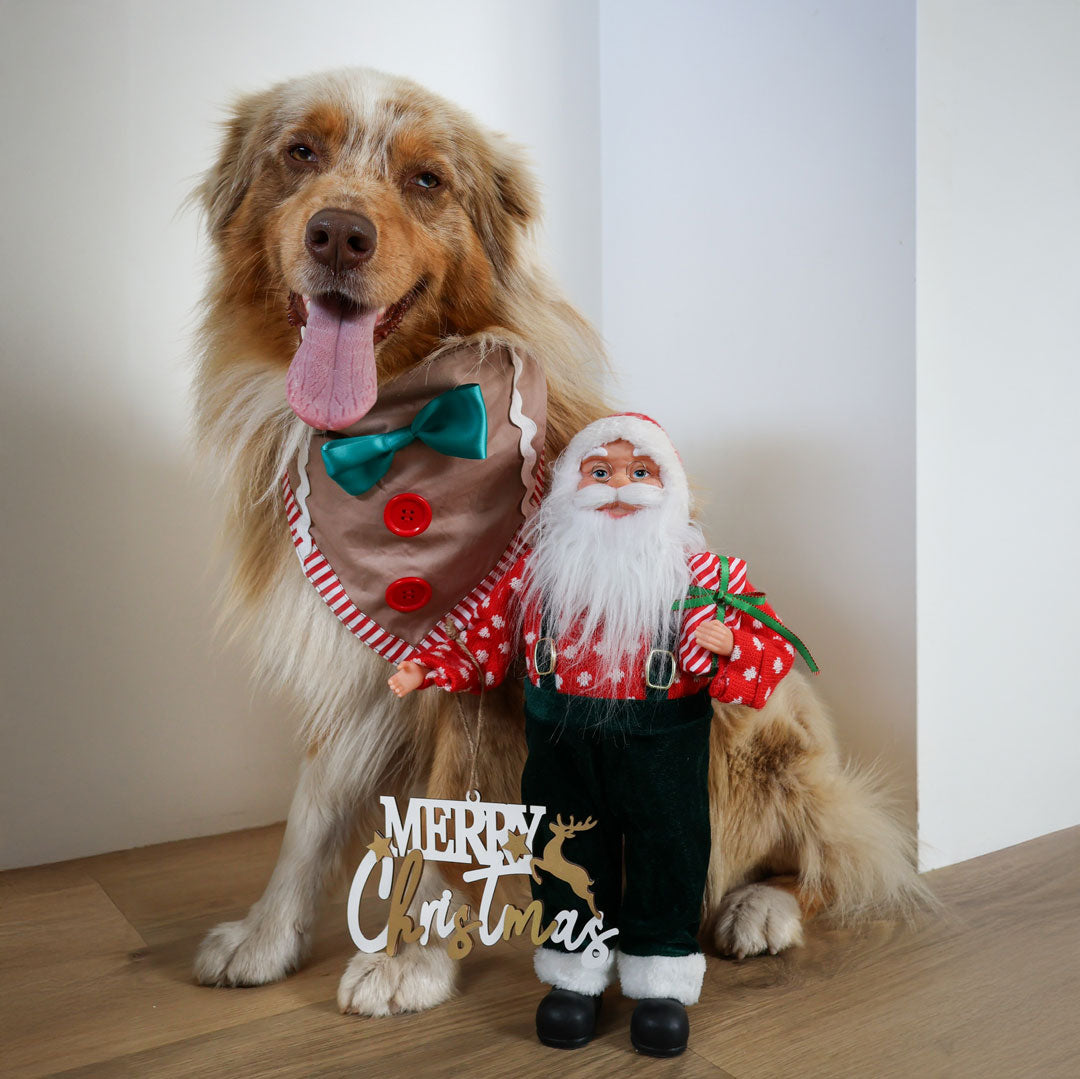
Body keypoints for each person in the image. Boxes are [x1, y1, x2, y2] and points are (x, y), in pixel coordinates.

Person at [389, 413, 807, 1057]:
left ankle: (660, 978)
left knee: (667, 855)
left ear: (668, 488)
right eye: (601, 471)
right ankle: (573, 976)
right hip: (561, 748)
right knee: (564, 858)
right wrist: (427, 666)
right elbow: (483, 639)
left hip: (664, 748)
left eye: (641, 473)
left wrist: (727, 645)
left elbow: (771, 646)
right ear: (569, 486)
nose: (620, 488)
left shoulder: (705, 575)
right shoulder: (533, 574)